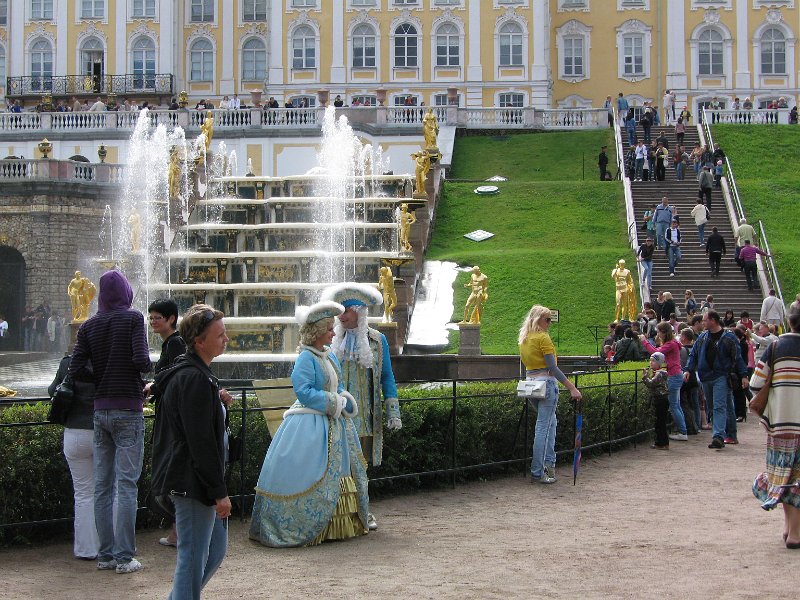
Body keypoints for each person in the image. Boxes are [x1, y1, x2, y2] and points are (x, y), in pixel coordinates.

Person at [249, 301, 369, 547]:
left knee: (342, 470)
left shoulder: (329, 357)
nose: (333, 333)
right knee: (309, 471)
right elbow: (303, 391)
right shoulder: (306, 358)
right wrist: (334, 402)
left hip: (334, 423)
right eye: (328, 329)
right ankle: (314, 525)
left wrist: (344, 400)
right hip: (310, 424)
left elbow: (341, 386)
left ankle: (336, 526)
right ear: (316, 332)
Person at [68, 270, 151, 574]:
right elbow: (141, 361)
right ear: (127, 292)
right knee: (127, 485)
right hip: (128, 408)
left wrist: (101, 376)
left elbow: (76, 368)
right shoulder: (132, 319)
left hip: (99, 411)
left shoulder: (89, 325)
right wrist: (139, 373)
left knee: (103, 486)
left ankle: (105, 556)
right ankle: (125, 557)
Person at [151, 304, 232, 597]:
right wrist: (218, 491)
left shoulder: (197, 375)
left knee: (214, 550)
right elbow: (201, 443)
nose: (226, 339)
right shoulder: (194, 378)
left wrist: (218, 404)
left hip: (195, 481)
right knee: (193, 558)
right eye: (220, 335)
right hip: (192, 483)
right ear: (199, 341)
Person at [320, 283, 401, 530]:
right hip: (336, 414)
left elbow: (387, 376)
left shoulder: (377, 341)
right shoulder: (328, 340)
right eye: (339, 312)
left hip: (365, 417)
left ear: (359, 312)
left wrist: (393, 412)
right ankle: (336, 514)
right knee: (335, 466)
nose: (341, 317)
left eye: (346, 311)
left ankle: (363, 511)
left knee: (360, 467)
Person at [518, 305, 582, 483]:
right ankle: (538, 471)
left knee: (549, 423)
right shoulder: (542, 338)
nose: (549, 323)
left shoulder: (524, 338)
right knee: (543, 427)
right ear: (538, 319)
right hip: (546, 383)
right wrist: (572, 387)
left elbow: (527, 366)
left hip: (531, 384)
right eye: (547, 320)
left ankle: (549, 465)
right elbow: (552, 368)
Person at [749, 313, 800, 538]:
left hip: (781, 425)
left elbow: (755, 384)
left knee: (784, 476)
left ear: (790, 322)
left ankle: (789, 528)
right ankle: (795, 532)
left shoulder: (776, 347)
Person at [145, 297, 187, 548]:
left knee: (169, 469)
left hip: (172, 418)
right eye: (151, 318)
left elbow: (175, 374)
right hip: (170, 414)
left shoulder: (176, 343)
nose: (152, 322)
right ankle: (176, 531)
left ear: (171, 319)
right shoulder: (170, 343)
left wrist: (155, 385)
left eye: (157, 318)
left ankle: (178, 531)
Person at [49, 354, 99, 560]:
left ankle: (86, 549)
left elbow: (53, 390)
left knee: (83, 493)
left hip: (74, 431)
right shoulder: (107, 360)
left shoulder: (68, 362)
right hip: (101, 430)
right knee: (108, 490)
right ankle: (110, 546)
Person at [684, 310, 749, 449]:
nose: (703, 323)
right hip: (706, 376)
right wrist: (688, 369)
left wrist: (744, 375)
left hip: (721, 375)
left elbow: (738, 357)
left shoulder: (728, 337)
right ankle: (729, 434)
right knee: (718, 406)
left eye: (705, 320)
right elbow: (693, 355)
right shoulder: (702, 337)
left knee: (719, 406)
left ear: (713, 320)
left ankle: (718, 436)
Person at [641, 322, 688, 441]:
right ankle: (683, 430)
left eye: (659, 332)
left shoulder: (671, 344)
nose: (657, 334)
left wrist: (644, 341)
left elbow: (656, 353)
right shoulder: (673, 343)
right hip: (676, 374)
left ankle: (683, 432)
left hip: (673, 375)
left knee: (673, 406)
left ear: (664, 332)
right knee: (676, 405)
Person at [643, 352, 670, 450]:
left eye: (653, 361)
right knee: (661, 422)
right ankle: (663, 442)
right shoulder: (661, 373)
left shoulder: (659, 374)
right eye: (650, 360)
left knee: (659, 422)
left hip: (660, 399)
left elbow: (651, 384)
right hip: (662, 399)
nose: (651, 363)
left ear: (659, 362)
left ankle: (660, 443)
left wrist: (645, 377)